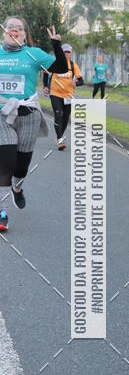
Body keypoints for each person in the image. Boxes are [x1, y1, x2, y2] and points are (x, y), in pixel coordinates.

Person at [0, 18, 68, 231]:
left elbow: (60, 67)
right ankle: (2, 212)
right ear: (4, 31)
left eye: (19, 28)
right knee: (6, 159)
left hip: (28, 114)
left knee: (21, 166)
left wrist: (56, 45)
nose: (14, 30)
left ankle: (17, 188)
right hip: (2, 113)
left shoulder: (33, 53)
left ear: (24, 34)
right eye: (10, 27)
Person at [43, 43, 83, 150]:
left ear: (71, 53)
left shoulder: (73, 65)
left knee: (65, 117)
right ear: (61, 52)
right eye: (64, 51)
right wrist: (45, 86)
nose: (66, 54)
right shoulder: (54, 63)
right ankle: (60, 139)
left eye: (68, 52)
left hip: (68, 95)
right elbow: (46, 73)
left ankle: (58, 136)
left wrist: (76, 83)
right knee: (58, 113)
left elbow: (81, 80)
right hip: (55, 93)